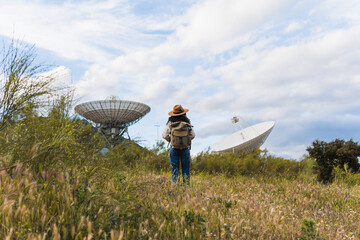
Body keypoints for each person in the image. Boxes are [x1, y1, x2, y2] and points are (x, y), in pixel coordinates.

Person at [162, 105, 195, 185]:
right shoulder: (187, 123)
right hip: (185, 148)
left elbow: (164, 135)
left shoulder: (170, 123)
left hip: (174, 148)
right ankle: (186, 186)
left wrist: (172, 140)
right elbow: (193, 135)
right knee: (186, 170)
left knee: (174, 170)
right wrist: (186, 140)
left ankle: (175, 186)